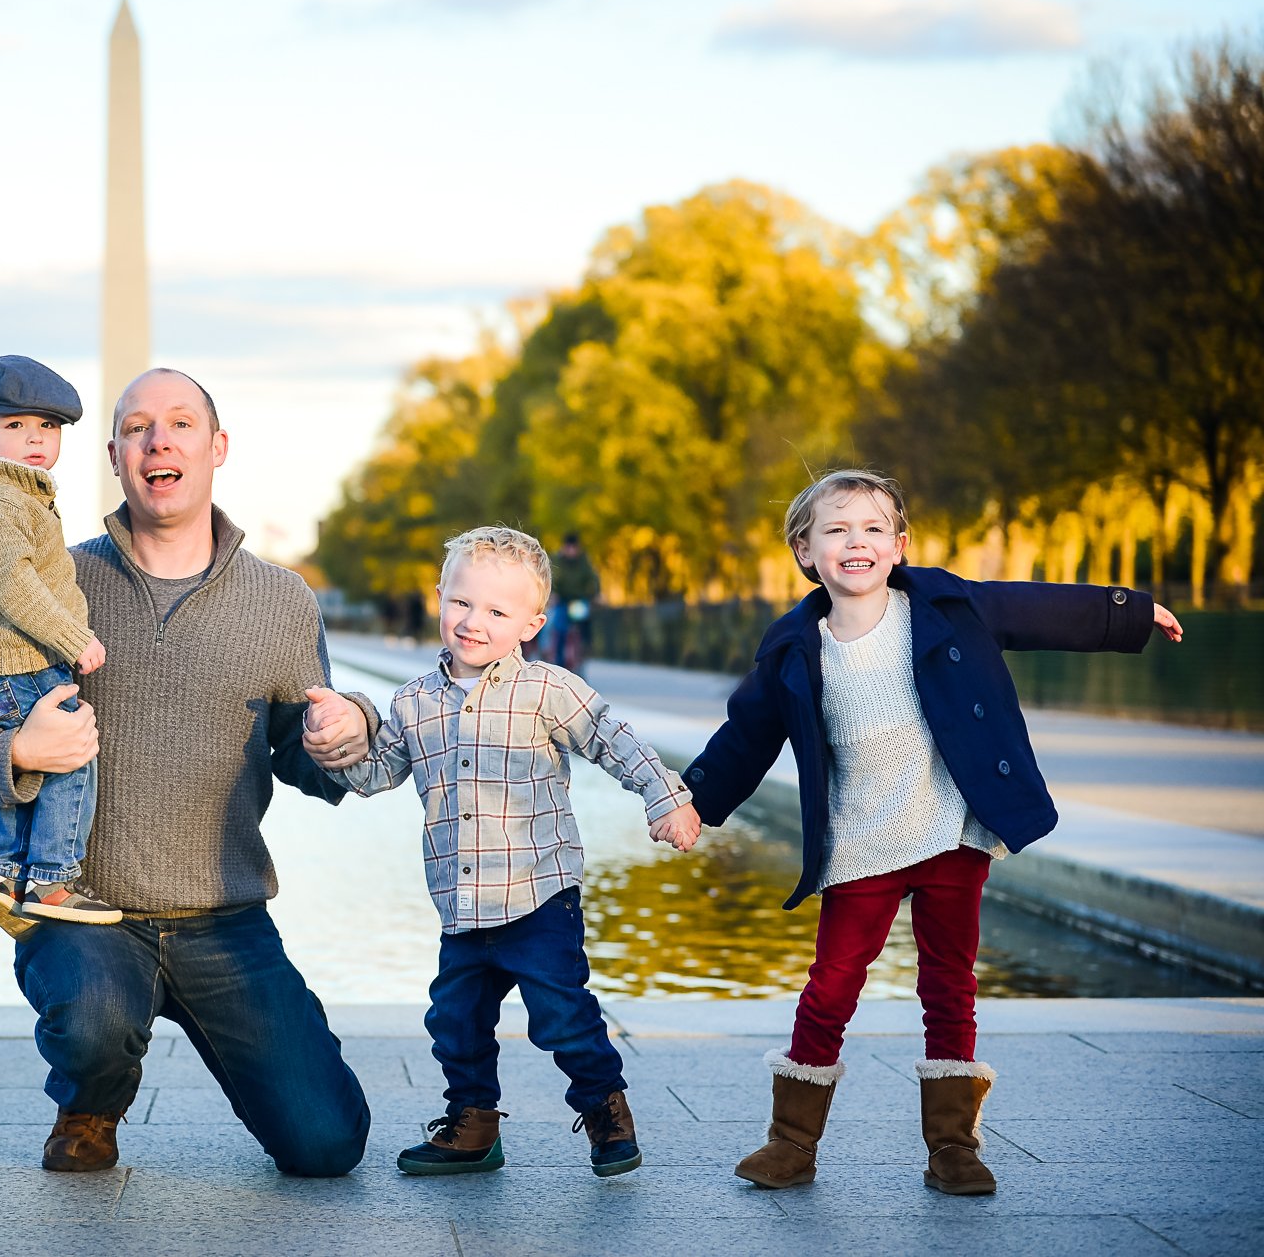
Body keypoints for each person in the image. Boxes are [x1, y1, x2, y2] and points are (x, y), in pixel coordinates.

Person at [680, 469, 1184, 1197]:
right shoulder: (793, 646)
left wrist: (1131, 614)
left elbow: (1038, 609)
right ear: (805, 550)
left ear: (900, 544)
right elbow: (745, 735)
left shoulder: (947, 604)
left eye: (874, 528)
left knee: (949, 982)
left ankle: (953, 1145)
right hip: (860, 841)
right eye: (837, 529)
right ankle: (791, 1141)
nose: (858, 541)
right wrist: (693, 800)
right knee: (831, 985)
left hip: (951, 826)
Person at [0, 367, 379, 1177]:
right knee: (95, 1020)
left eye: (179, 423)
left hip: (225, 919)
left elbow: (303, 753)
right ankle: (90, 1099)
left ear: (217, 448)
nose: (159, 439)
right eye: (137, 427)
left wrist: (342, 736)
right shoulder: (50, 579)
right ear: (113, 454)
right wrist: (18, 754)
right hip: (86, 913)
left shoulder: (283, 602)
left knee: (327, 1144)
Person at [327, 526, 701, 1177]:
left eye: (497, 611)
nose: (474, 622)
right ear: (438, 596)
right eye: (462, 603)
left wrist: (664, 796)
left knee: (562, 1014)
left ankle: (606, 1112)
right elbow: (373, 775)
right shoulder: (414, 701)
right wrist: (334, 742)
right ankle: (473, 1125)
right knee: (456, 1022)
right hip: (461, 901)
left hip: (538, 894)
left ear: (531, 622)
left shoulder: (548, 689)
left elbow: (617, 740)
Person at [0, 356, 115, 931]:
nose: (35, 439)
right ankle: (53, 880)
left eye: (47, 427)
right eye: (13, 426)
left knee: (31, 774)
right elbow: (12, 583)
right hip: (21, 665)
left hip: (1, 668)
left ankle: (8, 876)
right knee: (70, 759)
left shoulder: (15, 498)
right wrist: (73, 636)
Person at [551, 532, 600, 672]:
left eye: (574, 547)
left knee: (583, 625)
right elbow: (551, 578)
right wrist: (553, 593)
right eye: (569, 547)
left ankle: (584, 650)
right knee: (559, 629)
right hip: (562, 600)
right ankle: (558, 664)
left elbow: (593, 578)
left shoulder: (584, 561)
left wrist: (595, 593)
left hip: (578, 600)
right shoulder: (557, 560)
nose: (571, 551)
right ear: (564, 547)